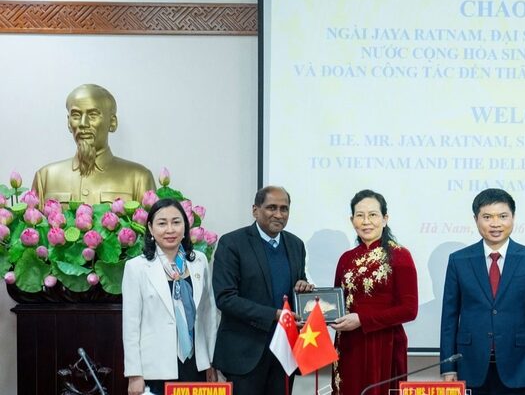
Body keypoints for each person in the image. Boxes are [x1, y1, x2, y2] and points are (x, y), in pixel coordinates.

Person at [440, 188, 525, 395]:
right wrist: (448, 367)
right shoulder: (458, 260)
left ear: (513, 217)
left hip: (518, 365)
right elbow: (449, 318)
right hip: (470, 364)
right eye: (487, 217)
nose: (495, 223)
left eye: (502, 216)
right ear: (476, 220)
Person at [212, 186, 314, 395]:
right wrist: (274, 315)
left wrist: (302, 288)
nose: (279, 214)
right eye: (271, 208)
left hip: (284, 352)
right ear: (255, 210)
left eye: (284, 209)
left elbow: (293, 286)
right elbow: (225, 298)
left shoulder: (296, 244)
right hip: (244, 354)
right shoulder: (232, 243)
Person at [122, 198, 218, 395]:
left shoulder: (199, 262)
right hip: (155, 367)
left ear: (185, 226)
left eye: (176, 222)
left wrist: (211, 362)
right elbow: (130, 325)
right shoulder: (137, 268)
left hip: (196, 363)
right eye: (162, 223)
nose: (170, 229)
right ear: (150, 228)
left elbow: (209, 316)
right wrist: (134, 374)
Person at [331, 189, 418, 395]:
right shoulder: (346, 259)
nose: (366, 221)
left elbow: (409, 310)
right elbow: (337, 304)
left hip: (384, 345)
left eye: (373, 215)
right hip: (349, 343)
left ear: (385, 219)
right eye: (360, 215)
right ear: (352, 220)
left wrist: (362, 319)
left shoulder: (400, 256)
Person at [32, 84, 155, 206]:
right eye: (76, 115)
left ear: (112, 122)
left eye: (93, 115)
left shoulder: (139, 178)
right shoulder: (45, 177)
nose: (83, 124)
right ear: (69, 123)